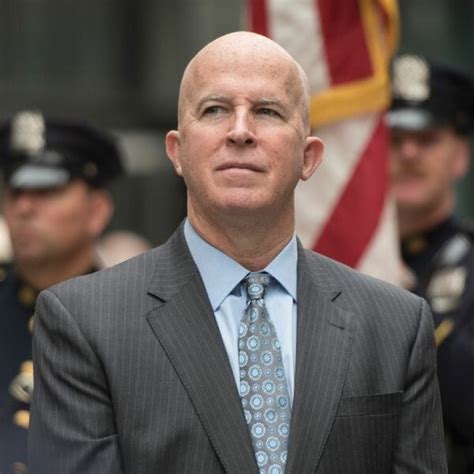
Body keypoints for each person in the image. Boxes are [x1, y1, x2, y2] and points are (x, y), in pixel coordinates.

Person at [29, 32, 447, 473]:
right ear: (177, 152)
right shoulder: (85, 321)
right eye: (215, 110)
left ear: (308, 158)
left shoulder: (396, 325)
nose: (241, 131)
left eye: (267, 111)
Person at [0, 110, 124, 473]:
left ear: (97, 211)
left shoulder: (131, 318)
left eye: (47, 191)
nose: (24, 207)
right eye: (15, 192)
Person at [388, 53, 474, 473]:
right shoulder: (330, 260)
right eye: (393, 139)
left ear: (460, 156)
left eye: (427, 139)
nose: (409, 152)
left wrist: (404, 302)